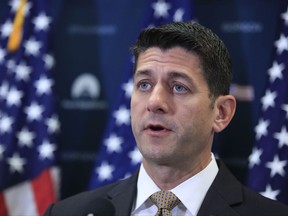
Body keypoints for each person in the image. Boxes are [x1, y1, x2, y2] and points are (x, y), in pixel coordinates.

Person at [44, 21, 288, 216]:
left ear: (221, 113)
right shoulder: (68, 213)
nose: (154, 102)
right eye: (144, 84)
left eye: (179, 87)